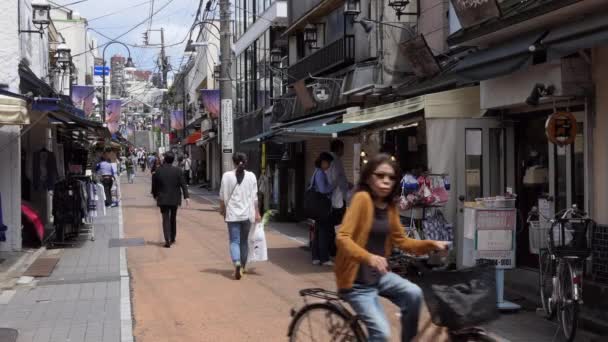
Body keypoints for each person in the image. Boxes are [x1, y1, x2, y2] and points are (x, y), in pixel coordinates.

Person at [335, 154, 449, 342]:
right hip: (356, 283)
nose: (385, 181)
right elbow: (343, 237)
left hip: (379, 276)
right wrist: (369, 257)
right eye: (380, 175)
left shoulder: (390, 207)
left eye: (391, 177)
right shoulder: (362, 199)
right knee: (381, 333)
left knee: (414, 294)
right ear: (369, 178)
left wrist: (431, 244)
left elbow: (402, 242)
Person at [219, 153, 261, 280]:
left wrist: (222, 210)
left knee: (234, 241)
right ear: (245, 161)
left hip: (232, 215)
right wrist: (257, 212)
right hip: (247, 214)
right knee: (244, 241)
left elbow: (221, 197)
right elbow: (255, 198)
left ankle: (236, 262)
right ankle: (242, 267)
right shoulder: (252, 176)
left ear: (233, 162)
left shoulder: (226, 176)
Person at [151, 152, 190, 248]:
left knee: (165, 219)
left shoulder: (158, 170)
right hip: (174, 198)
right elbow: (183, 184)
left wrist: (155, 195)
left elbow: (154, 185)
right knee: (173, 218)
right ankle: (172, 237)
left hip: (163, 198)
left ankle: (167, 239)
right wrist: (186, 197)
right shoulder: (178, 170)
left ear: (164, 159)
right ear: (173, 160)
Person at [310, 152, 334, 266]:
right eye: (328, 162)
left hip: (317, 205)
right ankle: (324, 258)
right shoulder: (320, 173)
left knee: (319, 231)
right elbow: (323, 189)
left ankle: (316, 257)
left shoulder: (317, 172)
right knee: (323, 232)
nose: (329, 165)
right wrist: (333, 186)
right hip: (322, 206)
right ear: (323, 162)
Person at [327, 139, 349, 256]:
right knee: (337, 225)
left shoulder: (327, 159)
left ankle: (331, 249)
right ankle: (334, 249)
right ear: (339, 148)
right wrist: (347, 185)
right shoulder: (336, 160)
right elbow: (338, 179)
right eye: (342, 148)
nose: (343, 151)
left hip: (329, 199)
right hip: (337, 198)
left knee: (330, 226)